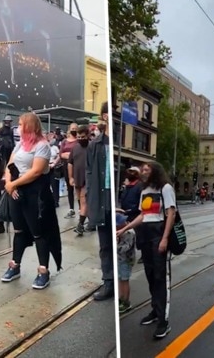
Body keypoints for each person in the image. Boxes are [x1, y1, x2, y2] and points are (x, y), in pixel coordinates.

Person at [0, 113, 62, 289]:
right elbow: (9, 165)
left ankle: (44, 271)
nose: (18, 127)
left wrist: (14, 184)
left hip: (36, 195)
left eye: (21, 124)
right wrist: (9, 184)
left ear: (30, 126)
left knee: (39, 232)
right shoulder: (20, 144)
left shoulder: (43, 146)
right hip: (16, 193)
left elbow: (36, 171)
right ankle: (15, 266)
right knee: (19, 230)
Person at [116, 161, 175, 339]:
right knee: (150, 274)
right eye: (143, 170)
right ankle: (155, 311)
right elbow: (143, 215)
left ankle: (163, 321)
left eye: (147, 170)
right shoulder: (145, 190)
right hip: (145, 234)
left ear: (155, 171)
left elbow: (170, 213)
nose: (144, 172)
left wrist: (164, 238)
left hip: (158, 233)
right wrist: (124, 229)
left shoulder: (165, 188)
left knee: (159, 276)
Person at [88, 105, 114, 302]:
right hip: (102, 200)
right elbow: (90, 174)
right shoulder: (95, 144)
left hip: (117, 202)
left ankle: (120, 283)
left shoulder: (119, 141)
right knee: (105, 245)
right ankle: (108, 282)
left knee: (120, 244)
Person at [68, 125, 91, 236]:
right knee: (80, 202)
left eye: (83, 137)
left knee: (83, 201)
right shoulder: (75, 147)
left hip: (88, 179)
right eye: (79, 137)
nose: (81, 139)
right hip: (77, 178)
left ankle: (80, 225)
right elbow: (70, 163)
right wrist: (71, 177)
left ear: (88, 136)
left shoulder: (92, 147)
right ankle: (88, 219)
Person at [116, 212, 136, 313]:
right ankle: (121, 297)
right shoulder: (119, 232)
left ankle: (126, 301)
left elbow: (126, 248)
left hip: (126, 260)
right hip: (119, 260)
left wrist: (117, 243)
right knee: (120, 280)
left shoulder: (129, 233)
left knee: (125, 280)